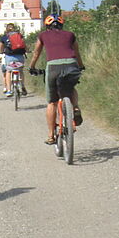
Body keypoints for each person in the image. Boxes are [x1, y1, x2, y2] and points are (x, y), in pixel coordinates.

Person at [28, 14, 84, 145]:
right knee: (71, 88)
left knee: (52, 102)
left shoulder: (43, 36)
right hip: (71, 64)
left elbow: (36, 52)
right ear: (61, 25)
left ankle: (51, 135)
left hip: (53, 67)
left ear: (47, 26)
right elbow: (76, 52)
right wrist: (80, 66)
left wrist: (32, 67)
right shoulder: (70, 34)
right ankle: (75, 108)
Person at [0, 23, 27, 97]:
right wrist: (26, 51)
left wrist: (1, 52)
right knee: (20, 71)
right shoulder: (19, 35)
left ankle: (9, 90)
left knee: (8, 71)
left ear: (6, 29)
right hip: (20, 57)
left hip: (10, 57)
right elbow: (24, 44)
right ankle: (23, 86)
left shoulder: (4, 37)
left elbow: (1, 46)